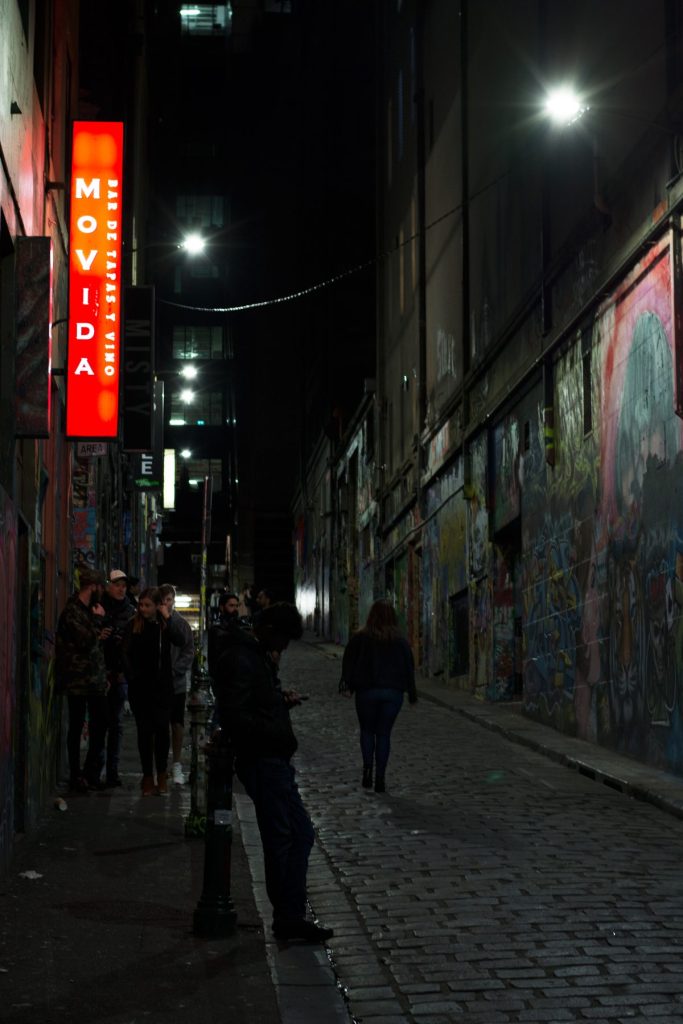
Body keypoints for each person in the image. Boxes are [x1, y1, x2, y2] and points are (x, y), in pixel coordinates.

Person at [212, 602, 333, 944]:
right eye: (282, 639)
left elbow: (254, 703)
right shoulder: (241, 658)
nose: (284, 647)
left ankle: (291, 914)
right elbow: (237, 717)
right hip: (263, 761)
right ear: (267, 630)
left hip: (273, 761)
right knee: (283, 838)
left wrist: (279, 700)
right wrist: (273, 727)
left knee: (300, 835)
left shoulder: (256, 654)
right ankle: (288, 918)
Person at [340, 599, 418, 793]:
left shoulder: (360, 638)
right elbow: (409, 667)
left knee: (367, 731)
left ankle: (367, 771)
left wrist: (347, 684)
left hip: (366, 691)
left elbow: (349, 661)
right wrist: (412, 692)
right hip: (392, 693)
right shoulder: (400, 642)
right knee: (384, 734)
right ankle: (380, 778)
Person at [122, 587, 186, 796]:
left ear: (157, 606)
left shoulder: (164, 626)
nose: (142, 609)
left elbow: (181, 640)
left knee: (161, 732)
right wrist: (132, 678)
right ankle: (147, 776)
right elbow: (126, 654)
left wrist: (168, 617)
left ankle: (161, 775)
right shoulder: (134, 625)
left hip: (163, 689)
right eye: (141, 605)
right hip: (141, 689)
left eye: (147, 605)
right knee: (144, 733)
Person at [55, 567, 112, 792]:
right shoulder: (73, 612)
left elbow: (95, 644)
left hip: (94, 681)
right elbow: (85, 642)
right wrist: (97, 624)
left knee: (102, 722)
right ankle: (76, 776)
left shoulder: (89, 610)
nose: (102, 592)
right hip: (77, 681)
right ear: (93, 587)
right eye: (100, 588)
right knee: (76, 726)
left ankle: (89, 772)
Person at [158, 583, 195, 786]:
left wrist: (174, 671)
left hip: (177, 683)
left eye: (169, 600)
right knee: (159, 724)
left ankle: (177, 763)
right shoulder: (153, 622)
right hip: (158, 683)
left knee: (177, 723)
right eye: (162, 600)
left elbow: (188, 650)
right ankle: (161, 765)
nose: (166, 604)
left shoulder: (180, 624)